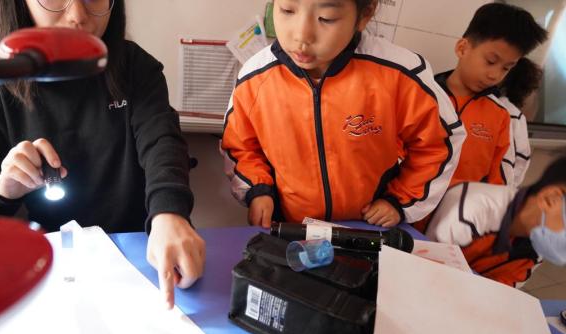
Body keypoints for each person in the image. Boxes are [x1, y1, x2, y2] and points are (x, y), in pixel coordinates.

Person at [0, 0, 205, 309]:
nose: (78, 15)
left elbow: (162, 141)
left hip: (133, 262)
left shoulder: (136, 67)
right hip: (34, 279)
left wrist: (169, 213)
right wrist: (1, 187)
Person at [221, 0, 465, 229]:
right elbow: (241, 146)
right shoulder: (255, 78)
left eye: (326, 18)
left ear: (365, 14)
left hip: (368, 229)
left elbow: (439, 143)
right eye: (287, 10)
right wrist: (258, 190)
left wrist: (399, 200)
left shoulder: (400, 73)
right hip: (290, 229)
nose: (302, 36)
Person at [435, 3, 547, 187]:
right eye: (490, 61)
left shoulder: (501, 115)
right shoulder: (422, 95)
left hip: (464, 204)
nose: (495, 75)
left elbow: (498, 186)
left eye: (506, 68)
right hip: (404, 203)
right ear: (462, 48)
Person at [426, 156, 566, 288]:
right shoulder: (472, 211)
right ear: (550, 199)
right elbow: (430, 273)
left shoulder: (535, 248)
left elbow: (500, 293)